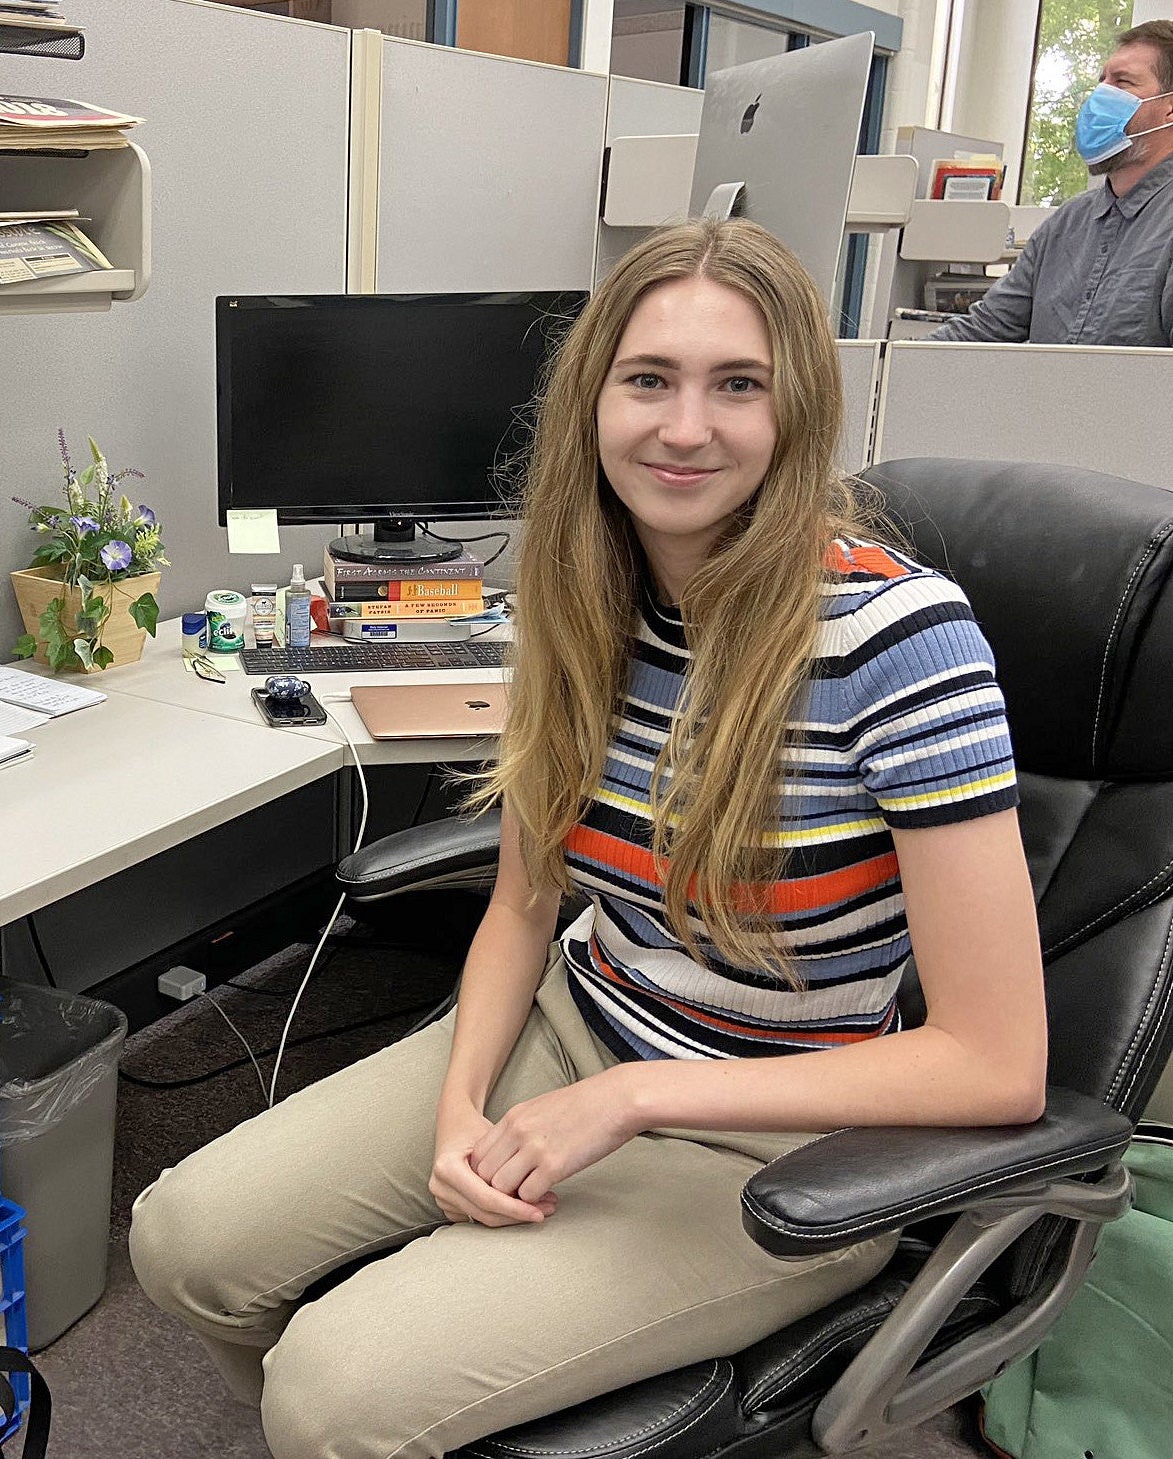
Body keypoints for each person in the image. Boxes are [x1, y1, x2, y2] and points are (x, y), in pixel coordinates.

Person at [129, 218, 1048, 1459]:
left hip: (773, 1137)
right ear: (591, 401)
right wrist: (460, 1105)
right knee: (182, 1242)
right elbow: (520, 904)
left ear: (798, 411)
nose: (684, 427)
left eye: (738, 385)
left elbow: (994, 1066)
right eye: (648, 380)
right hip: (573, 1031)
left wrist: (631, 1097)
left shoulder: (896, 641)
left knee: (331, 1395)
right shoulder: (580, 604)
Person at [930, 19, 1173, 346]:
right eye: (1102, 81)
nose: (1101, 96)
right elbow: (986, 328)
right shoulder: (1066, 224)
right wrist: (886, 367)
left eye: (1123, 83)